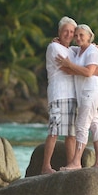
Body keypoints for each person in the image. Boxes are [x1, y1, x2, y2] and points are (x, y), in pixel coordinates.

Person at [56, 24, 98, 170]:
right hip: (86, 93)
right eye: (76, 35)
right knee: (95, 123)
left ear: (90, 37)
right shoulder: (77, 51)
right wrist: (56, 41)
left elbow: (88, 73)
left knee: (81, 125)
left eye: (81, 35)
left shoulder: (93, 51)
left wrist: (71, 65)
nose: (77, 38)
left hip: (92, 91)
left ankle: (76, 162)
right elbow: (70, 68)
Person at [40, 16, 79, 174]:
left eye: (72, 32)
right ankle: (45, 166)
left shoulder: (71, 50)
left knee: (71, 134)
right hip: (58, 94)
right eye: (66, 31)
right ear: (59, 32)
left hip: (72, 95)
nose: (68, 34)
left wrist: (96, 48)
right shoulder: (54, 48)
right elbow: (68, 69)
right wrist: (85, 69)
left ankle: (71, 165)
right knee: (54, 131)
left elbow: (85, 51)